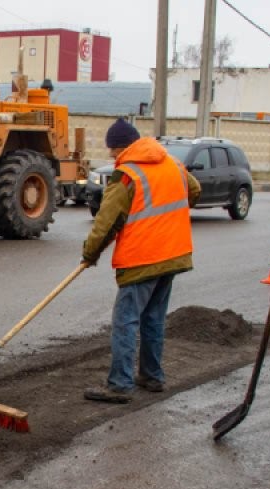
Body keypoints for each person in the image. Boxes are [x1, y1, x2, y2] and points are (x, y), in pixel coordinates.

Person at [80, 118, 201, 403]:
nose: (112, 156)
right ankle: (152, 376)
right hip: (173, 254)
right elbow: (194, 191)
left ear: (121, 147)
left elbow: (106, 221)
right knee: (154, 319)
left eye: (113, 151)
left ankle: (120, 384)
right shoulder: (173, 163)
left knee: (126, 321)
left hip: (142, 258)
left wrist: (90, 253)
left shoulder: (126, 175)